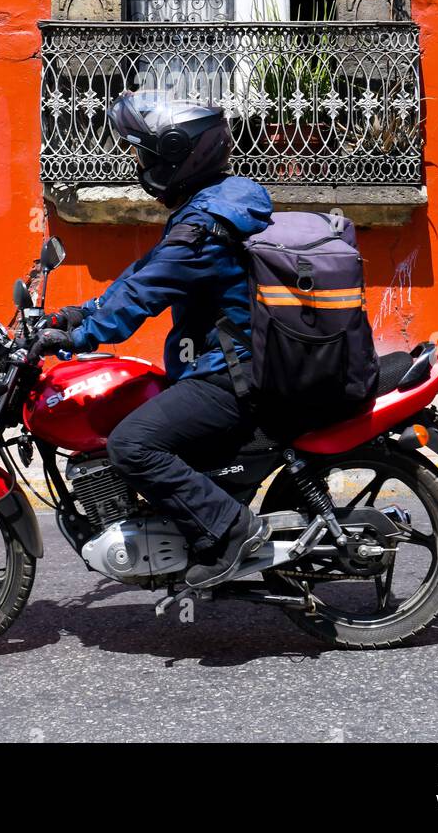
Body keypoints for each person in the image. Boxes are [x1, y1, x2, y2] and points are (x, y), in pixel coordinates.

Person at [30, 91, 273, 589]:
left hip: (230, 377)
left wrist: (75, 335)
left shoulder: (205, 226)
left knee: (132, 444)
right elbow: (144, 274)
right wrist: (77, 313)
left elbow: (142, 296)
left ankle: (233, 532)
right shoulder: (211, 207)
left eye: (147, 153)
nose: (142, 163)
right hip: (228, 365)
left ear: (179, 155)